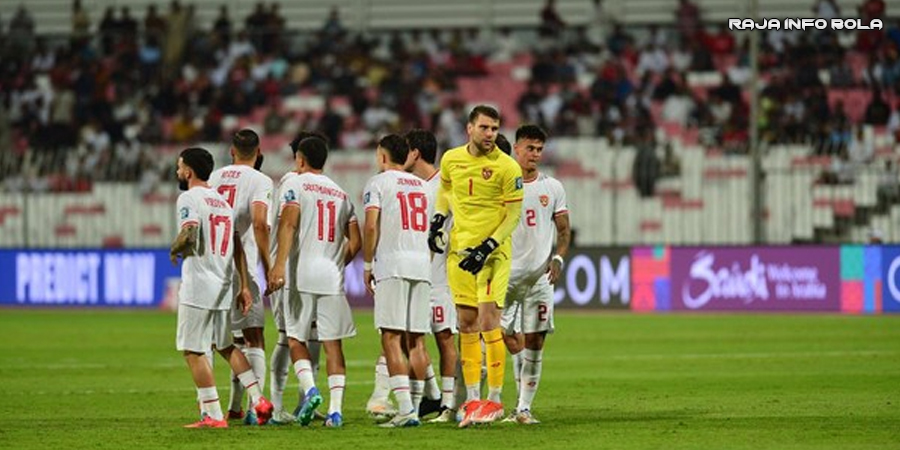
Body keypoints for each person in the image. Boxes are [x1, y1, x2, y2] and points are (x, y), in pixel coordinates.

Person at [428, 105, 524, 427]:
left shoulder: (508, 167)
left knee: (488, 322)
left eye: (495, 129)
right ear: (469, 128)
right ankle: (472, 400)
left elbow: (513, 216)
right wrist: (438, 220)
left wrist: (488, 247)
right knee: (466, 324)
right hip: (460, 252)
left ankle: (494, 401)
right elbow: (445, 190)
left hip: (493, 254)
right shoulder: (452, 159)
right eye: (484, 128)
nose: (490, 134)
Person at [170, 147, 273, 428]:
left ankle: (213, 415)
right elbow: (237, 244)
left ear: (189, 171)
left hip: (199, 285)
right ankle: (258, 399)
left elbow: (189, 233)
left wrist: (174, 248)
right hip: (223, 284)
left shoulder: (188, 197)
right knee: (225, 345)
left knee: (193, 350)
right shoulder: (222, 203)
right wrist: (242, 284)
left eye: (180, 167)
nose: (178, 171)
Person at [268, 136, 361, 427]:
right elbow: (356, 241)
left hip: (302, 273)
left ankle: (310, 391)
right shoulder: (341, 194)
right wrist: (337, 262)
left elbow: (289, 223)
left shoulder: (295, 183)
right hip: (332, 277)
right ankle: (336, 412)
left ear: (300, 159)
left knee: (296, 338)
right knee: (332, 344)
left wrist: (279, 265)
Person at [499, 125, 570, 424]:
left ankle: (524, 408)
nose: (535, 154)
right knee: (500, 334)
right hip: (506, 276)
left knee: (536, 341)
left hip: (540, 278)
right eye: (530, 148)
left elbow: (564, 230)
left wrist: (558, 257)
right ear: (516, 148)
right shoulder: (503, 185)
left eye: (539, 149)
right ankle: (486, 401)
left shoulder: (552, 187)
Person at [362, 134, 434, 428]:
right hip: (422, 264)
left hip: (393, 263)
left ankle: (405, 409)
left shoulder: (378, 183)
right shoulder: (424, 186)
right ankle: (415, 408)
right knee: (416, 340)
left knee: (391, 337)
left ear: (382, 156)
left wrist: (367, 264)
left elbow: (370, 225)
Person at [207, 129, 273, 424]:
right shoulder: (260, 180)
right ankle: (253, 407)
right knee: (254, 336)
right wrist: (270, 266)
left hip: (212, 263)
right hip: (241, 262)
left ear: (232, 151)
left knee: (225, 338)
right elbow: (259, 223)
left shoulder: (215, 177)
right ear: (258, 153)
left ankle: (231, 406)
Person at [266, 131, 327, 424]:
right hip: (289, 271)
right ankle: (277, 407)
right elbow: (286, 224)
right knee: (286, 335)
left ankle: (306, 403)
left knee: (311, 335)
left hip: (309, 272)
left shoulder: (315, 185)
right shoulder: (292, 181)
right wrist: (277, 267)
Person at [404, 129, 459, 423]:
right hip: (416, 273)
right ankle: (433, 396)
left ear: (415, 153)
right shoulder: (410, 186)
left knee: (444, 337)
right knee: (411, 338)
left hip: (441, 277)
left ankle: (447, 404)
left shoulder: (443, 186)